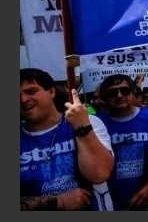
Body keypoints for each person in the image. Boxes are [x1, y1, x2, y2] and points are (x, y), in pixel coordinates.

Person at [20, 68, 115, 211]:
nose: (23, 99)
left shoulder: (88, 122)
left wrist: (82, 127)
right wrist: (58, 201)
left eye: (31, 91)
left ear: (51, 91)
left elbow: (99, 173)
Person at [96, 74, 148, 210]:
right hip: (110, 203)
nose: (119, 95)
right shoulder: (96, 122)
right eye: (112, 92)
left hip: (146, 201)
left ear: (133, 93)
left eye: (124, 91)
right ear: (104, 98)